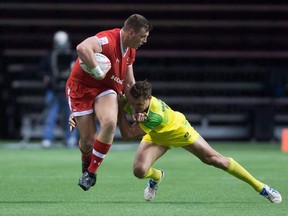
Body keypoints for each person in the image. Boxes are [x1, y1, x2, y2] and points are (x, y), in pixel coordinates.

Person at [115, 80, 282, 203]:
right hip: (156, 136)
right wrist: (133, 112)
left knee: (215, 160)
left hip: (179, 131)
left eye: (140, 104)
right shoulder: (133, 101)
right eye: (133, 104)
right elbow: (130, 109)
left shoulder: (155, 115)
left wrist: (123, 113)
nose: (136, 107)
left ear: (149, 99)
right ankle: (157, 177)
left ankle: (261, 187)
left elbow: (127, 135)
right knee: (139, 171)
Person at [65, 14, 153, 191]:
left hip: (106, 88)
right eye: (142, 37)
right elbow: (82, 47)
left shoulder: (130, 50)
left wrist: (136, 109)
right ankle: (86, 163)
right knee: (88, 141)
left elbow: (129, 83)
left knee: (110, 122)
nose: (144, 41)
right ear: (130, 32)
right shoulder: (107, 40)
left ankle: (91, 172)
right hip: (80, 88)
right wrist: (96, 70)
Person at [40, 31, 79, 148]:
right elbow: (41, 70)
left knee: (71, 116)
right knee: (50, 115)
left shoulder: (73, 56)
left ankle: (71, 138)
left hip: (68, 91)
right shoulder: (49, 56)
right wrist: (47, 77)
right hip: (53, 89)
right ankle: (47, 138)